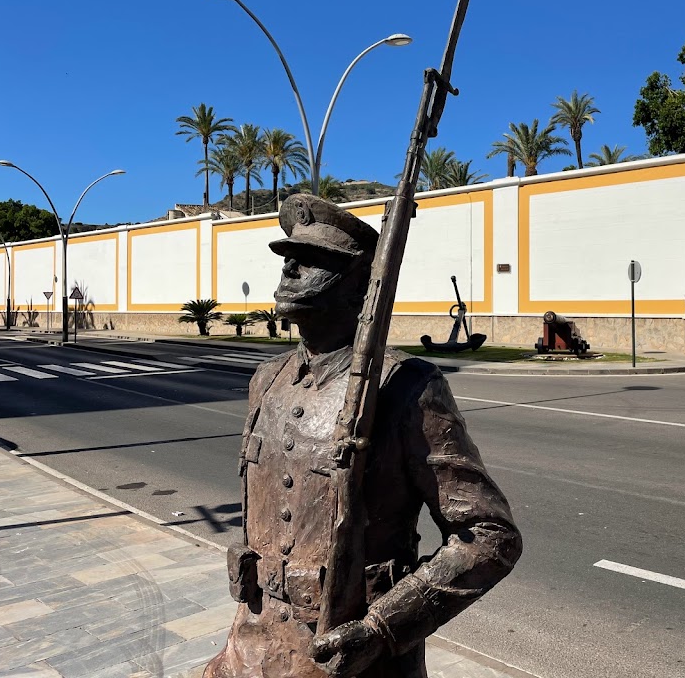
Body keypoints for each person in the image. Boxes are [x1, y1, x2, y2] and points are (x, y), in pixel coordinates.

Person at [204, 194, 522, 678]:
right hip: (249, 644)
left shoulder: (405, 387)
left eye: (312, 262)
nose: (288, 269)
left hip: (348, 656)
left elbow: (488, 537)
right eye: (289, 257)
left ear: (361, 288)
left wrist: (382, 629)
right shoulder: (266, 379)